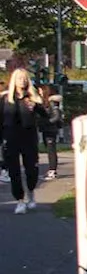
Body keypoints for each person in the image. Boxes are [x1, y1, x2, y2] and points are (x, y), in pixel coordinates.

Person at [1, 69, 49, 213]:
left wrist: (37, 106)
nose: (22, 81)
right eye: (19, 78)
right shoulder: (5, 100)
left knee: (31, 169)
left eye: (24, 79)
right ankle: (20, 200)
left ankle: (31, 192)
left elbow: (45, 115)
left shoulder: (32, 98)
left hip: (28, 138)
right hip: (11, 138)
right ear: (14, 81)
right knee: (14, 171)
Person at [39, 90, 64, 180]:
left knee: (51, 151)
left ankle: (53, 170)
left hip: (50, 130)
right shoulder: (52, 106)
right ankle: (51, 170)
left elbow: (56, 117)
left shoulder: (54, 106)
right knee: (50, 150)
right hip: (49, 130)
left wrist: (47, 122)